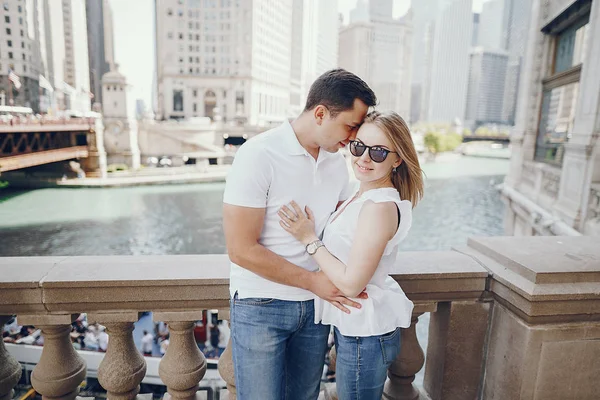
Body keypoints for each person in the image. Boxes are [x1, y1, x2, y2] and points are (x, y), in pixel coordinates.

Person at [223, 68, 377, 399]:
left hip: (317, 308)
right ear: (320, 113)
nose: (352, 138)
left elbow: (341, 231)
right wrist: (313, 282)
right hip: (261, 304)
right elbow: (240, 250)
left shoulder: (338, 163)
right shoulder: (258, 154)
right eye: (350, 126)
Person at [278, 110, 424, 399]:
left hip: (364, 336)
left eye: (379, 152)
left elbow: (351, 284)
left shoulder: (379, 207)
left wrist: (308, 238)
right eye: (358, 146)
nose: (364, 158)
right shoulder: (362, 195)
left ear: (397, 159)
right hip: (356, 331)